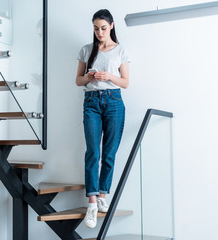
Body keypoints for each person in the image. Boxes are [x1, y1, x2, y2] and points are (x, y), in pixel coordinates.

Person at [76, 9, 130, 228]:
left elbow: (126, 82)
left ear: (112, 26)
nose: (99, 32)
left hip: (114, 103)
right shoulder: (86, 49)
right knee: (93, 152)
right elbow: (77, 81)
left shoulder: (121, 51)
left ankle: (102, 196)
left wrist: (110, 76)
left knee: (109, 154)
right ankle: (91, 204)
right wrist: (88, 77)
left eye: (104, 28)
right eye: (96, 28)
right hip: (91, 103)